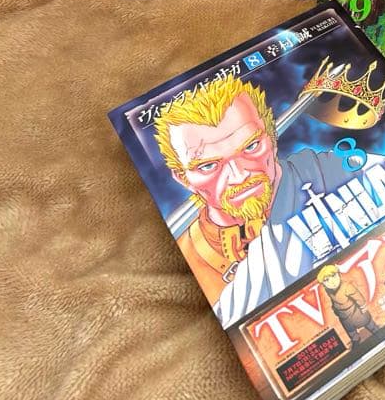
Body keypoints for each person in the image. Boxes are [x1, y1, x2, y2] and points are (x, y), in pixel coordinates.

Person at [154, 75, 362, 327]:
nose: (239, 175)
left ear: (271, 138)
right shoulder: (189, 257)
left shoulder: (337, 171)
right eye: (208, 166)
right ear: (183, 178)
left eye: (251, 147)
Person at [316, 265, 378, 345]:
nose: (332, 281)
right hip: (344, 316)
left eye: (333, 276)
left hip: (356, 311)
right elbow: (333, 301)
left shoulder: (347, 286)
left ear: (339, 274)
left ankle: (376, 331)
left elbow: (358, 297)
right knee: (350, 330)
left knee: (368, 323)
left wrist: (363, 307)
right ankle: (356, 340)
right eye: (326, 280)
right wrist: (335, 309)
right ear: (323, 284)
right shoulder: (329, 291)